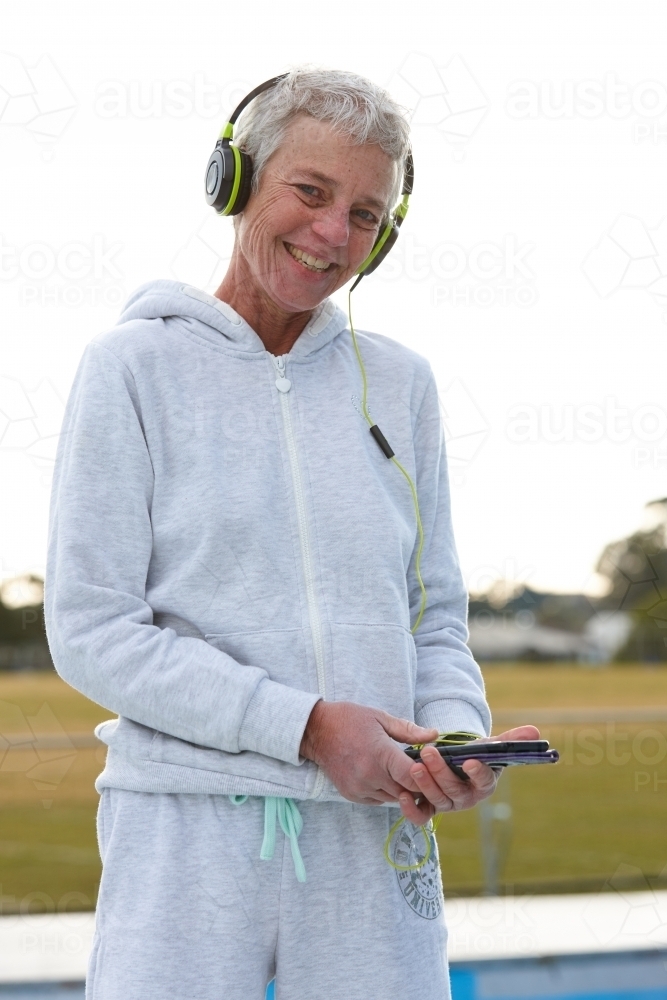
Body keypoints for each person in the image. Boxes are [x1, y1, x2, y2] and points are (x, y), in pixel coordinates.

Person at [44, 66, 537, 1000]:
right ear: (236, 180)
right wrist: (307, 728)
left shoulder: (402, 385)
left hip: (375, 841)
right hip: (186, 847)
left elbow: (432, 617)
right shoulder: (131, 368)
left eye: (363, 215)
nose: (330, 235)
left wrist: (454, 738)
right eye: (310, 192)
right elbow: (92, 631)